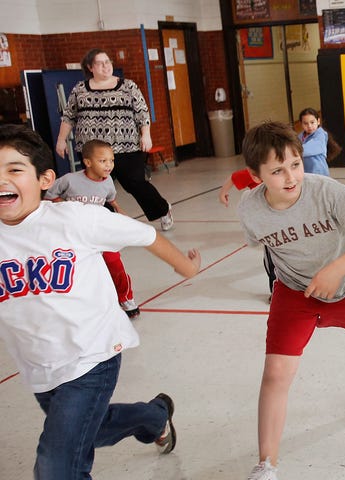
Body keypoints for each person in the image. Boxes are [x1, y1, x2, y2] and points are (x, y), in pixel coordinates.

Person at [0, 124, 201, 478]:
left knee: (58, 466)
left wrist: (185, 266)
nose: (2, 180)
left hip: (92, 354)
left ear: (45, 179)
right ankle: (154, 416)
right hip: (40, 366)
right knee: (96, 428)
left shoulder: (75, 219)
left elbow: (144, 234)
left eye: (14, 170)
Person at [236, 121, 345, 480]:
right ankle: (267, 464)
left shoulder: (326, 192)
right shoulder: (250, 210)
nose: (290, 177)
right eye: (277, 171)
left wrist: (336, 269)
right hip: (295, 291)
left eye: (295, 164)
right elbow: (269, 249)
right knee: (276, 373)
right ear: (256, 175)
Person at [55, 48, 174, 231]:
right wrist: (61, 140)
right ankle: (104, 223)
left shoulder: (128, 86)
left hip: (125, 147)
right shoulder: (80, 90)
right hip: (92, 150)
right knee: (94, 187)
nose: (105, 66)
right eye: (100, 63)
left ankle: (162, 210)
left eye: (108, 62)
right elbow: (68, 116)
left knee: (135, 183)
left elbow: (142, 112)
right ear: (90, 67)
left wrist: (146, 134)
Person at [45, 139, 141, 318]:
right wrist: (66, 207)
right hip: (74, 235)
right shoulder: (69, 180)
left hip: (99, 233)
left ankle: (126, 298)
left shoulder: (108, 182)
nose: (109, 165)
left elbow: (111, 200)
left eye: (111, 160)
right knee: (75, 271)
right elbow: (49, 195)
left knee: (114, 263)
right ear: (88, 162)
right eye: (103, 161)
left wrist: (121, 211)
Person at [219, 167, 277, 297]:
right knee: (272, 260)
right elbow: (234, 177)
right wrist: (223, 193)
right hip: (268, 229)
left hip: (289, 222)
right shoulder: (256, 171)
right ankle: (276, 291)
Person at [298, 107, 330, 176]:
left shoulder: (320, 134)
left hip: (319, 172)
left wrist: (293, 150)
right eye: (305, 123)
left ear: (318, 121)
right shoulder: (300, 137)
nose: (309, 126)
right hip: (305, 172)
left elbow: (312, 148)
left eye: (312, 122)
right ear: (301, 124)